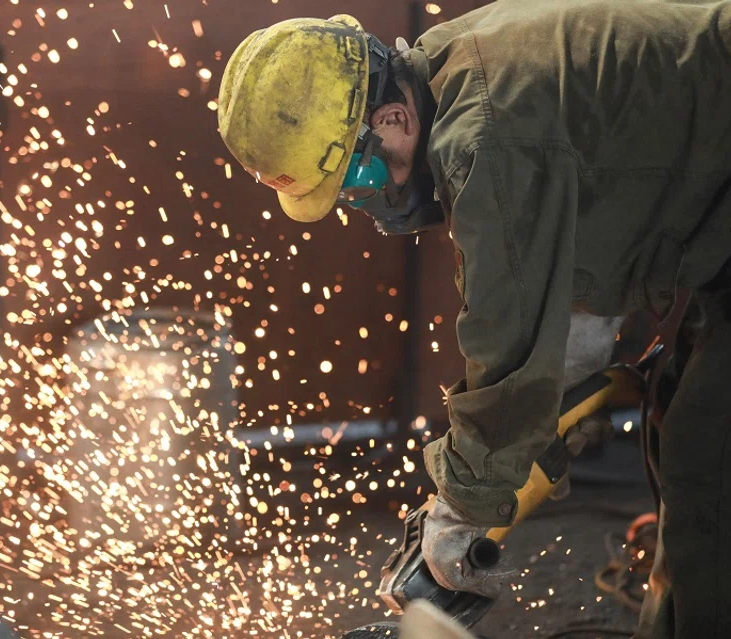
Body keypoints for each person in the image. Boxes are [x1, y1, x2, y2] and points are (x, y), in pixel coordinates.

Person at [215, 2, 731, 638]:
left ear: (392, 118)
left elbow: (509, 348)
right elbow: (565, 264)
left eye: (356, 174)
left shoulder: (484, 136)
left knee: (708, 452)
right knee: (680, 409)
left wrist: (462, 510)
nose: (364, 197)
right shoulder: (447, 67)